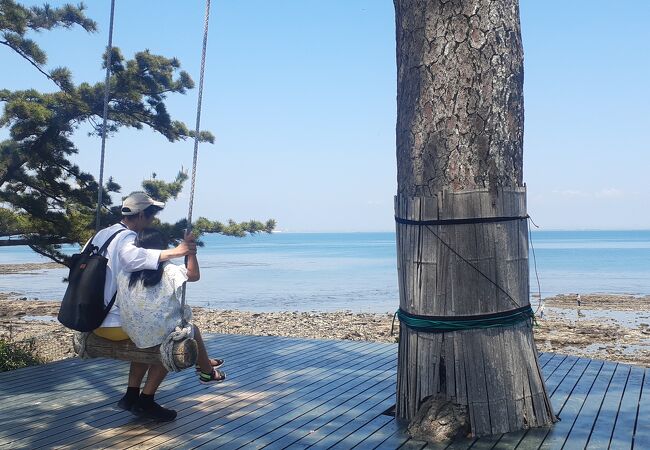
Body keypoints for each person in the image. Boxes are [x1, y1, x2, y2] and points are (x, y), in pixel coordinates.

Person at [90, 191, 202, 421]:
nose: (151, 222)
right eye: (150, 217)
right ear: (140, 215)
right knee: (164, 338)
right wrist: (180, 251)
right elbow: (131, 258)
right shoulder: (126, 238)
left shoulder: (103, 234)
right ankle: (146, 400)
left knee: (147, 328)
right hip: (114, 322)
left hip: (93, 316)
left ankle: (132, 395)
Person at [116, 228, 226, 389]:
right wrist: (191, 252)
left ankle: (131, 394)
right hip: (157, 334)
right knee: (181, 337)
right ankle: (205, 372)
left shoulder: (126, 272)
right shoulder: (168, 270)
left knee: (149, 341)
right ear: (163, 247)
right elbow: (194, 275)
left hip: (133, 330)